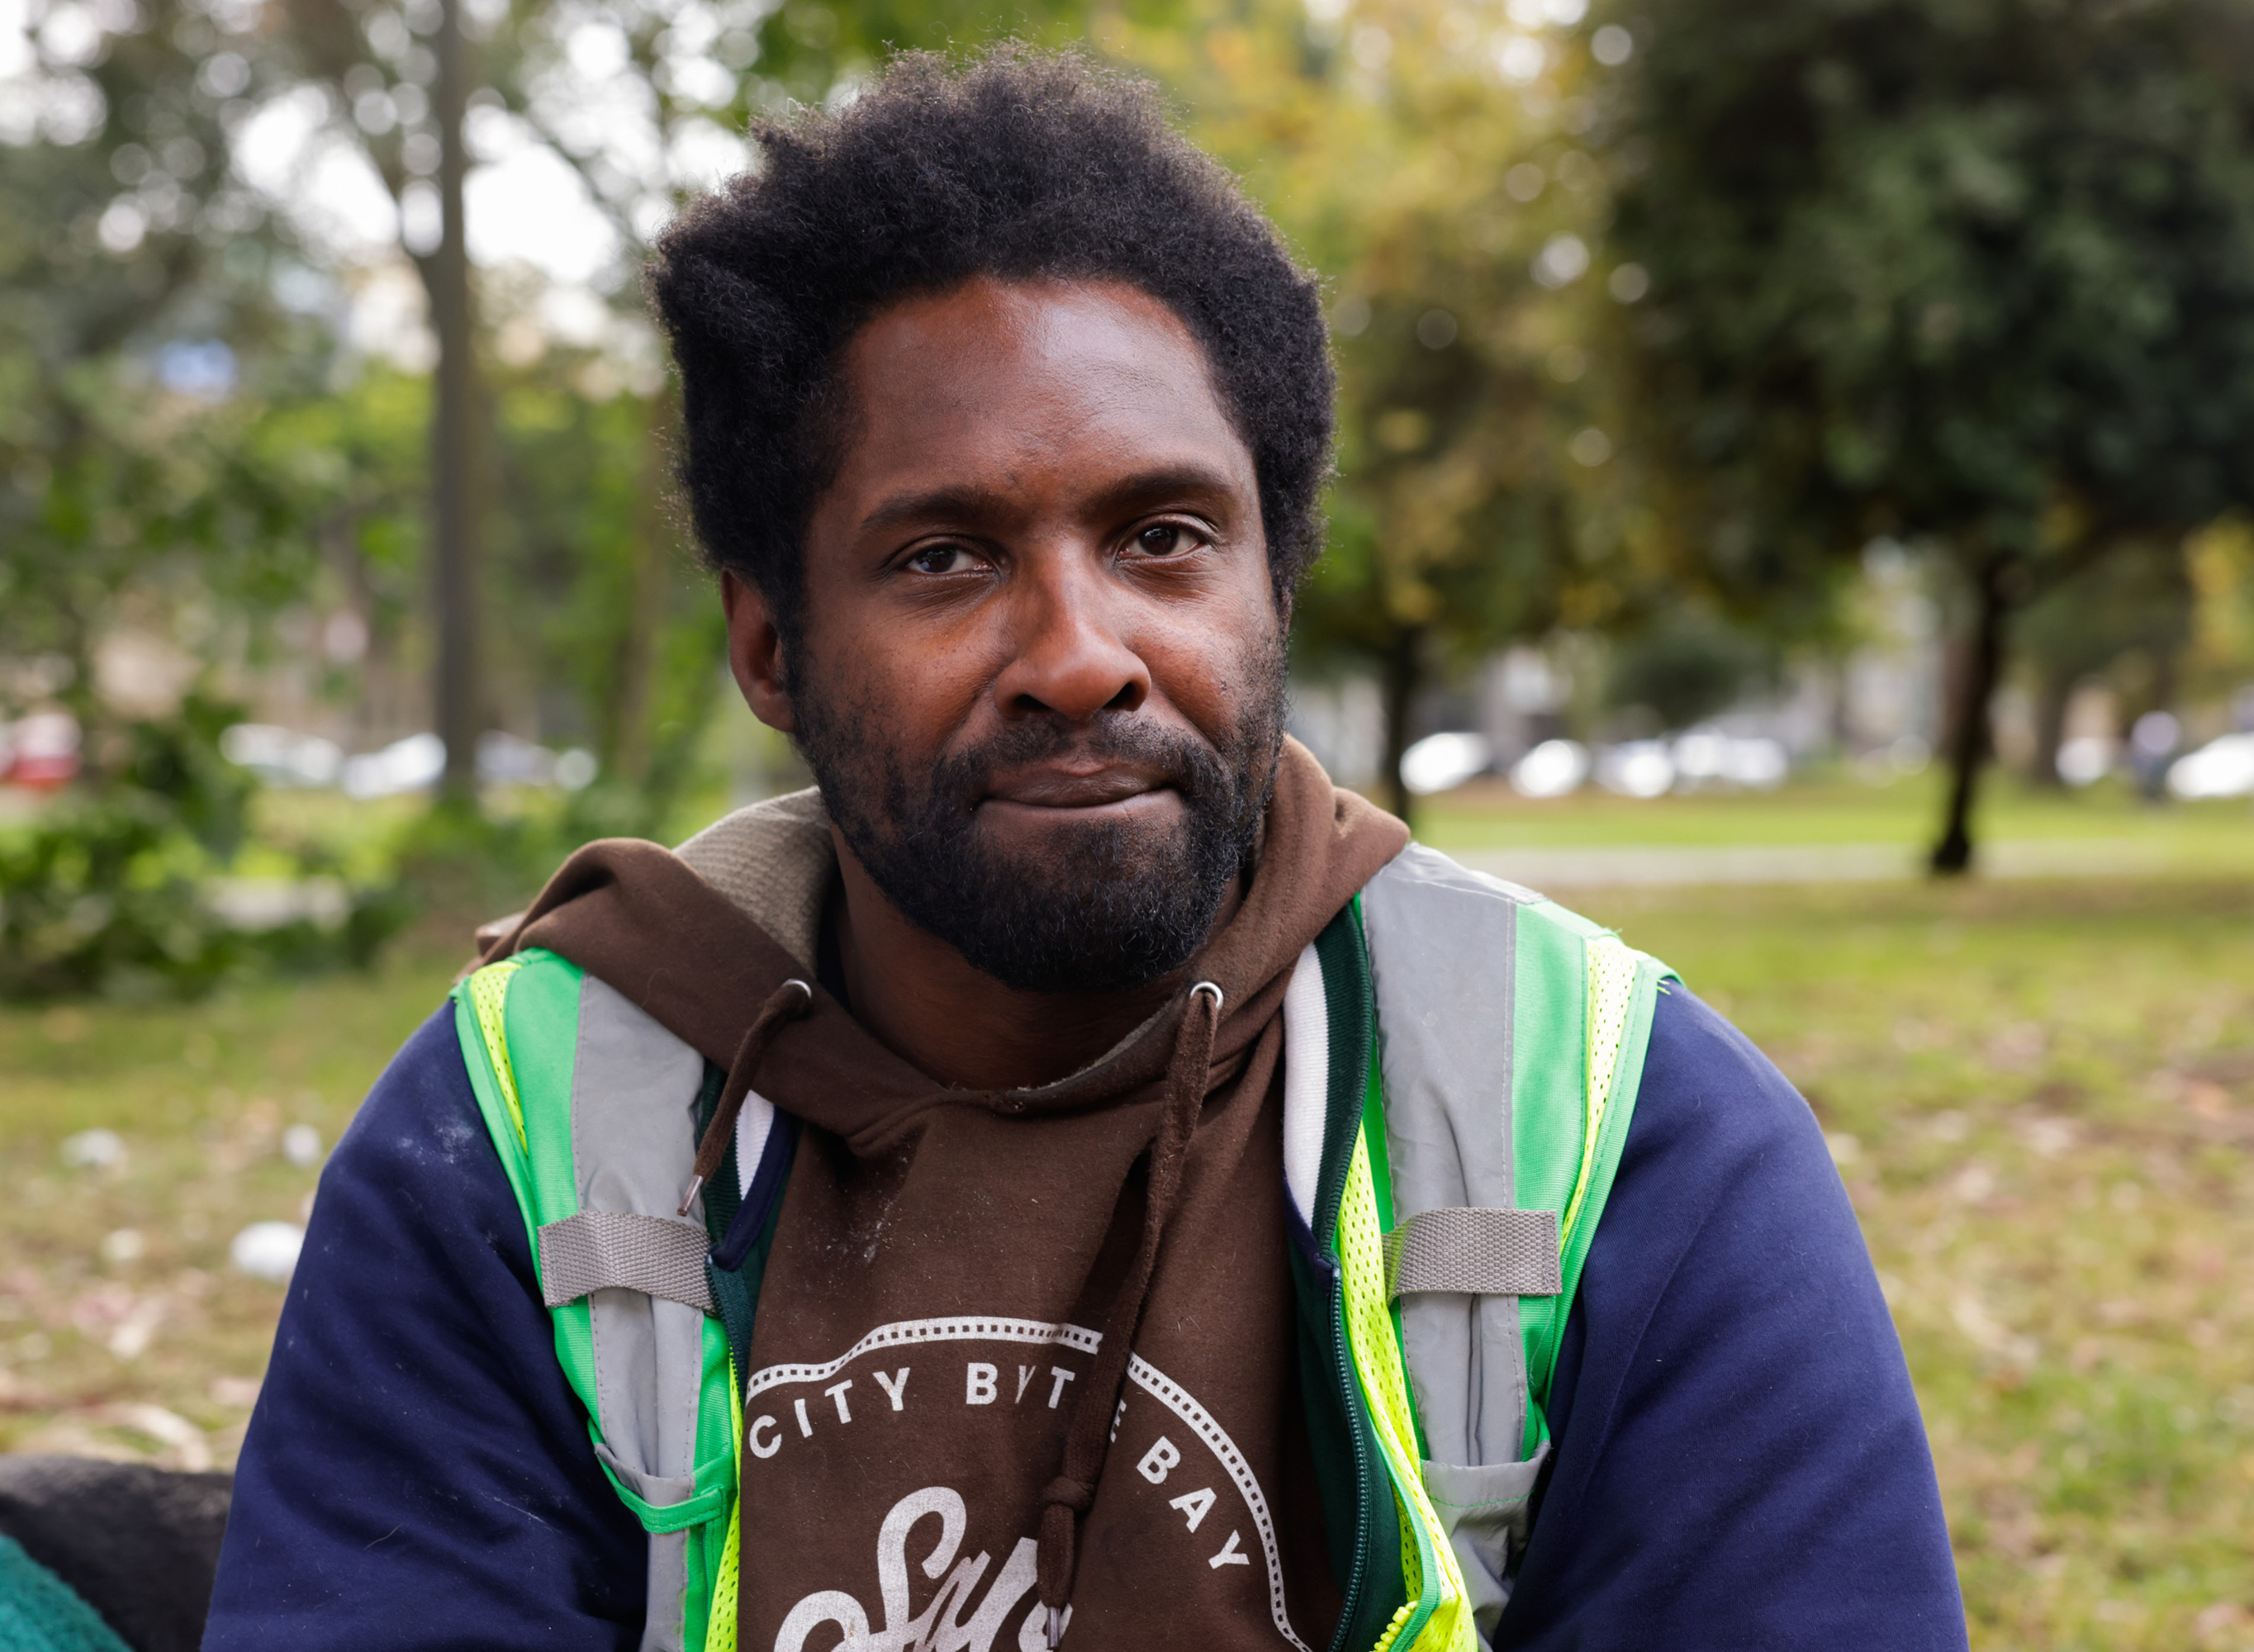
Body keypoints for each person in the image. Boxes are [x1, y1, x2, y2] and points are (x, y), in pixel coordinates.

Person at [202, 47, 1966, 1652]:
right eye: (944, 558)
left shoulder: (1616, 1124)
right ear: (768, 645)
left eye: (1166, 536)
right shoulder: (517, 1132)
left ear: (1275, 583)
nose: (1079, 652)